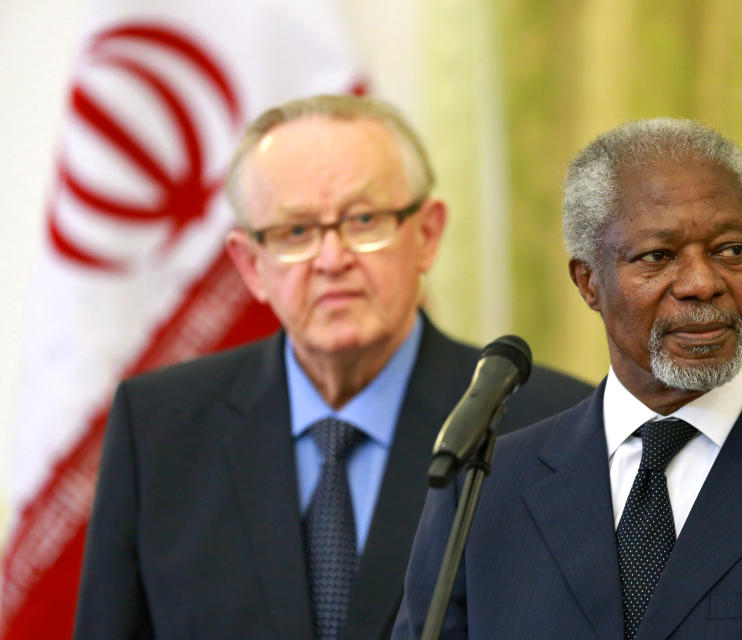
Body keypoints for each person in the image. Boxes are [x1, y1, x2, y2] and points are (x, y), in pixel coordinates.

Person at [393, 118, 742, 639]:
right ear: (588, 282)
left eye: (732, 251)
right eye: (658, 256)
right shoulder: (483, 490)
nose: (703, 283)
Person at [74, 94, 592, 640]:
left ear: (427, 234)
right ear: (251, 265)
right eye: (295, 232)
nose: (331, 259)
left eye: (364, 220)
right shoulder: (159, 428)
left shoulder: (557, 426)